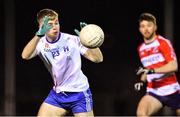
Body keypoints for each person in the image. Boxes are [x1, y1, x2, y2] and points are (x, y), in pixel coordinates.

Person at [21, 8, 103, 116]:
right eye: (50, 24)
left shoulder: (72, 40)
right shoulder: (40, 44)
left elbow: (98, 59)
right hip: (58, 95)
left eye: (56, 22)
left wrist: (90, 44)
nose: (55, 26)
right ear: (41, 26)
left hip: (79, 93)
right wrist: (38, 35)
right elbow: (25, 56)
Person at [134, 12, 180, 116]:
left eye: (149, 25)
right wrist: (141, 81)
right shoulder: (140, 48)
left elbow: (174, 66)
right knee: (141, 113)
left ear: (155, 27)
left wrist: (152, 70)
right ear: (139, 29)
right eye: (143, 26)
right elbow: (147, 69)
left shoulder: (163, 43)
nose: (146, 29)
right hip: (154, 92)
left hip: (172, 90)